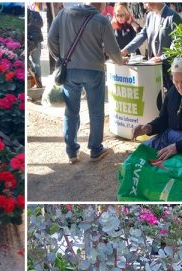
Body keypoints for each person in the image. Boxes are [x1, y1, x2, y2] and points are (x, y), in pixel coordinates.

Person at [48, 2, 125, 163]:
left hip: (70, 69)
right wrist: (120, 61)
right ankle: (96, 149)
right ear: (101, 5)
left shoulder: (63, 14)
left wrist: (60, 58)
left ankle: (71, 151)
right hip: (94, 70)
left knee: (71, 111)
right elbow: (112, 49)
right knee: (96, 111)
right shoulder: (101, 20)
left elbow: (50, 39)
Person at [120, 2, 182, 88]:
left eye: (145, 3)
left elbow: (177, 43)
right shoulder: (150, 16)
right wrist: (125, 50)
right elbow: (142, 35)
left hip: (169, 69)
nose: (144, 7)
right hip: (154, 68)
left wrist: (162, 58)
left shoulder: (173, 17)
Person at [27, 6, 45, 87]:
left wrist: (31, 23)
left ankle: (38, 82)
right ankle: (34, 82)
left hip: (36, 41)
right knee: (34, 63)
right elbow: (40, 24)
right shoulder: (34, 13)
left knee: (36, 62)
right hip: (31, 41)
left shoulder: (35, 13)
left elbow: (41, 24)